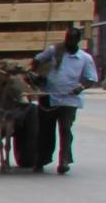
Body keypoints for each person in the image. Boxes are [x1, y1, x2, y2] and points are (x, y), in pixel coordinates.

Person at [37, 27, 99, 173]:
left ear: (78, 40)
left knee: (65, 129)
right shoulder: (54, 51)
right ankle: (42, 159)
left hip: (69, 100)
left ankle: (64, 160)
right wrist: (38, 75)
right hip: (49, 97)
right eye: (67, 38)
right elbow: (38, 61)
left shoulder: (85, 58)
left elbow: (91, 79)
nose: (68, 42)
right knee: (46, 130)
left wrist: (81, 87)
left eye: (72, 39)